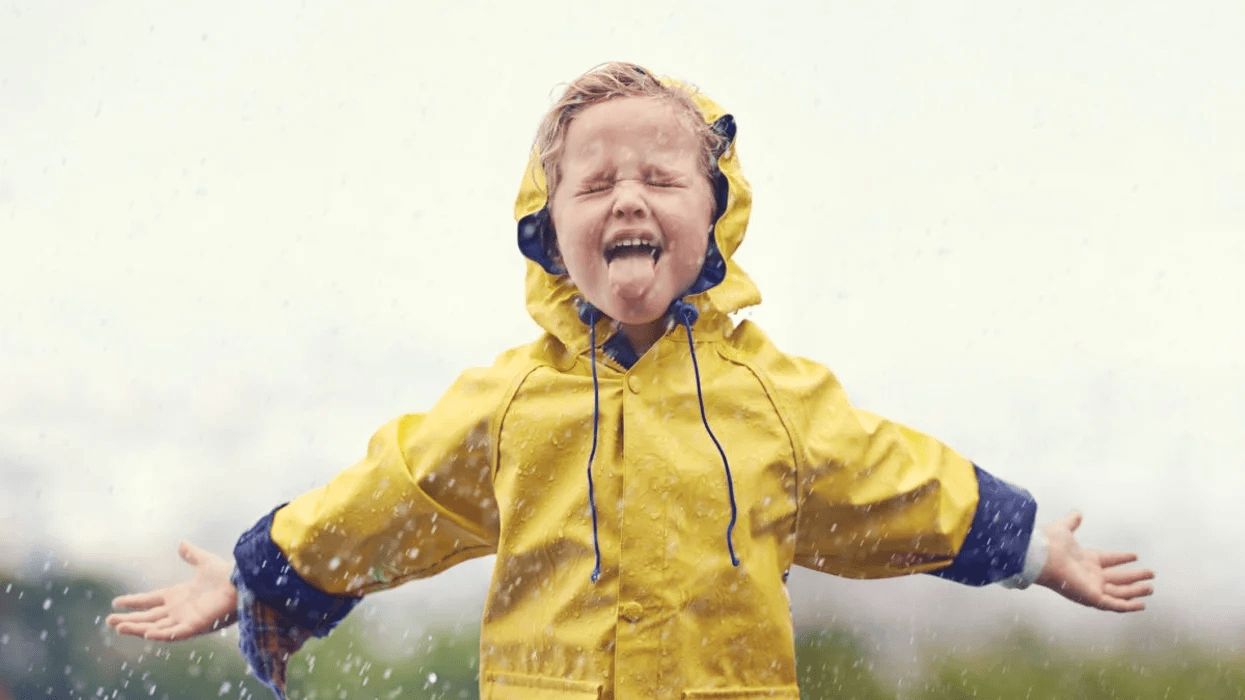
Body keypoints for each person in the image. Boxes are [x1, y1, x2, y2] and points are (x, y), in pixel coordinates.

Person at [107, 62, 1154, 700]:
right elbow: (388, 496)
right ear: (549, 230)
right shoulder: (510, 405)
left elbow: (893, 477)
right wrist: (259, 574)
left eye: (661, 178)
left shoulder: (774, 402)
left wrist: (1030, 545)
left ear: (715, 215)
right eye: (596, 182)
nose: (628, 198)